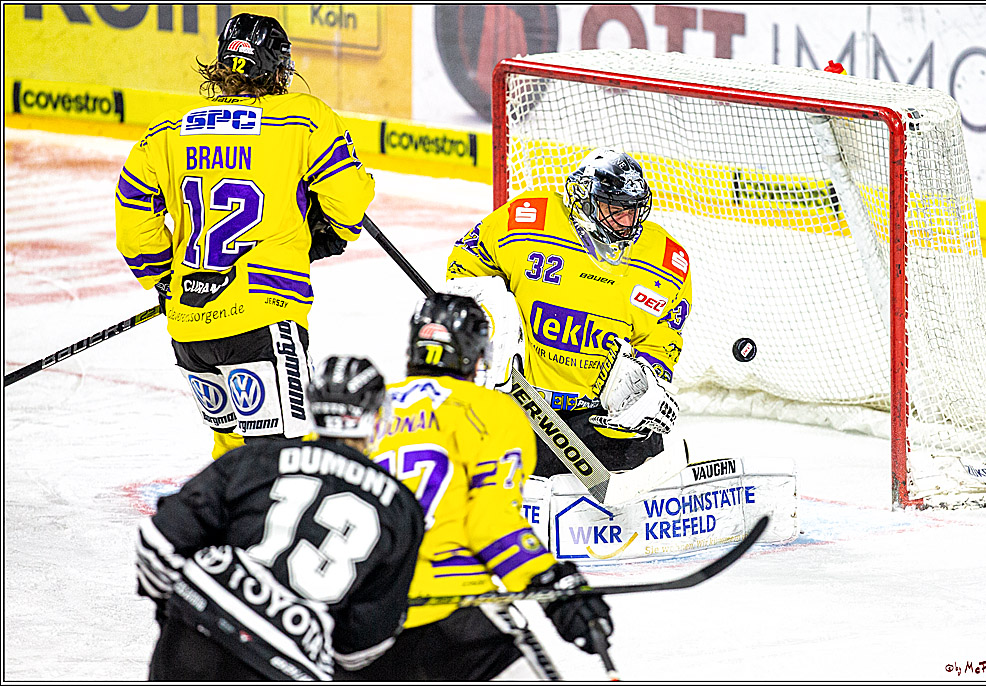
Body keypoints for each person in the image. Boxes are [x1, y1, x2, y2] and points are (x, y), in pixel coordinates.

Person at [115, 13, 375, 459]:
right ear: (278, 69)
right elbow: (349, 203)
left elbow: (134, 219)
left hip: (191, 326)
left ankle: (225, 530)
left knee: (232, 458)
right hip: (264, 318)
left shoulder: (165, 130)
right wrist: (326, 232)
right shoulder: (303, 119)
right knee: (283, 457)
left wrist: (163, 279)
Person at [338, 293, 614, 681]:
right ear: (475, 353)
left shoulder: (364, 410)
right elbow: (489, 522)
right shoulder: (490, 410)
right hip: (452, 612)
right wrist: (554, 588)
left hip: (356, 627)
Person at [134, 355, 425, 681]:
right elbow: (361, 646)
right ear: (375, 418)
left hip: (195, 637)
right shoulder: (401, 507)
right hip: (284, 667)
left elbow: (158, 540)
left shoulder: (256, 458)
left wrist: (177, 609)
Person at [445, 147, 690, 477]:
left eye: (632, 210)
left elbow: (662, 338)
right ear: (584, 199)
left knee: (647, 456)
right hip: (518, 402)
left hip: (598, 416)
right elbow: (466, 264)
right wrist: (486, 326)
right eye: (614, 208)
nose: (625, 222)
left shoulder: (664, 261)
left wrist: (645, 380)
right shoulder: (528, 221)